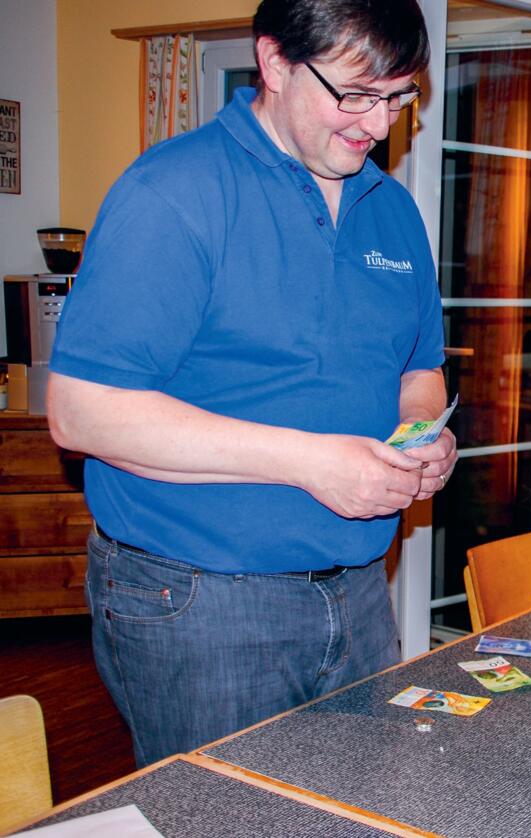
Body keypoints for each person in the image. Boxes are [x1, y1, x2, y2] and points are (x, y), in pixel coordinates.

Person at [46, 0, 455, 767]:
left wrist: (424, 433)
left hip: (362, 589)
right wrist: (312, 462)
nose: (378, 125)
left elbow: (417, 369)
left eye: (399, 98)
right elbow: (80, 413)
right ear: (273, 62)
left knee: (355, 809)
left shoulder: (393, 210)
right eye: (357, 95)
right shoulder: (171, 193)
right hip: (200, 602)